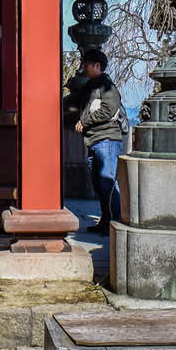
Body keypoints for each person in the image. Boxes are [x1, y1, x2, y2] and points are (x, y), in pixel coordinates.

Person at [63, 49, 126, 233]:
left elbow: (109, 109)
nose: (83, 67)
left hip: (107, 139)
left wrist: (85, 121)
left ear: (97, 65)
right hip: (94, 139)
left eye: (86, 64)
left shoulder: (107, 86)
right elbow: (74, 101)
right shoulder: (90, 86)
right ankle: (105, 221)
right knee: (99, 184)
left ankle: (114, 223)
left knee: (107, 182)